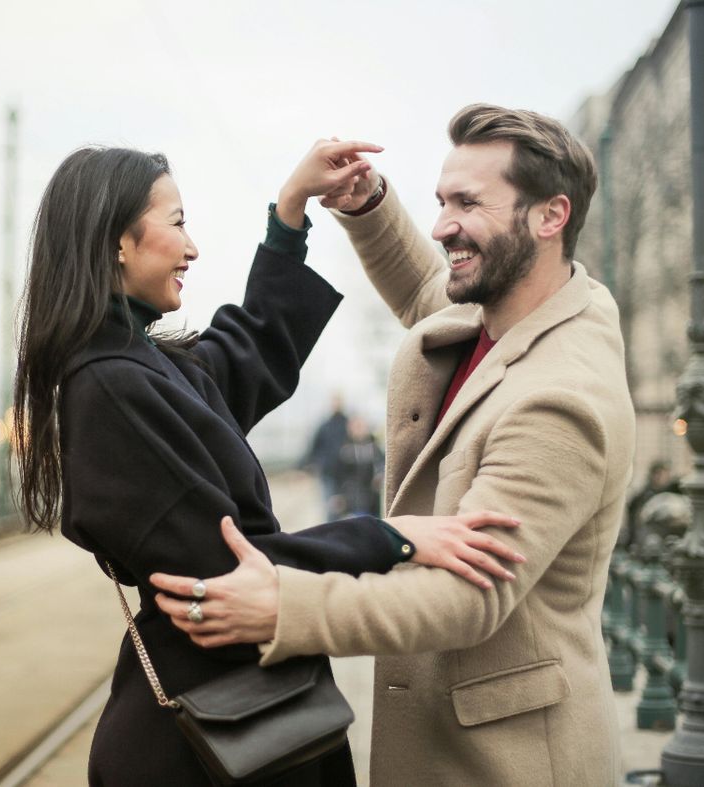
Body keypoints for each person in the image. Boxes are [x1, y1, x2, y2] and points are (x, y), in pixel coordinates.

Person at [152, 104, 637, 786]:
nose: (442, 226)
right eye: (442, 201)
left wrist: (285, 606)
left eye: (469, 202)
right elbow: (426, 291)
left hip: (512, 762)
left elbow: (467, 596)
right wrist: (367, 204)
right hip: (456, 741)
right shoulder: (511, 305)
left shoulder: (560, 397)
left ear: (550, 216)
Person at [12, 143, 523, 786]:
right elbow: (234, 571)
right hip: (212, 739)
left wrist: (289, 214)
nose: (192, 248)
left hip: (237, 716)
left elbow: (247, 349)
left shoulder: (140, 364)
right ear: (118, 242)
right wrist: (392, 537)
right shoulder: (113, 386)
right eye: (176, 223)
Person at [302, 394, 349, 519]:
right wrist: (303, 465)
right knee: (330, 506)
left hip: (346, 474)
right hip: (327, 472)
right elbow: (313, 447)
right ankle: (332, 532)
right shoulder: (324, 426)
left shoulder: (348, 424)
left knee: (345, 506)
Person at [329, 415, 384, 518]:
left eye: (361, 426)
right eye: (356, 427)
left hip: (372, 501)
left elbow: (381, 465)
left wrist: (380, 476)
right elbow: (338, 475)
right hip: (351, 501)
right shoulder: (344, 450)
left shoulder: (374, 448)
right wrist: (337, 495)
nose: (359, 430)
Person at [622, 459, 681, 551]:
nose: (661, 477)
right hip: (647, 540)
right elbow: (634, 521)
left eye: (664, 474)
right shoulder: (641, 497)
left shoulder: (673, 492)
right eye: (658, 474)